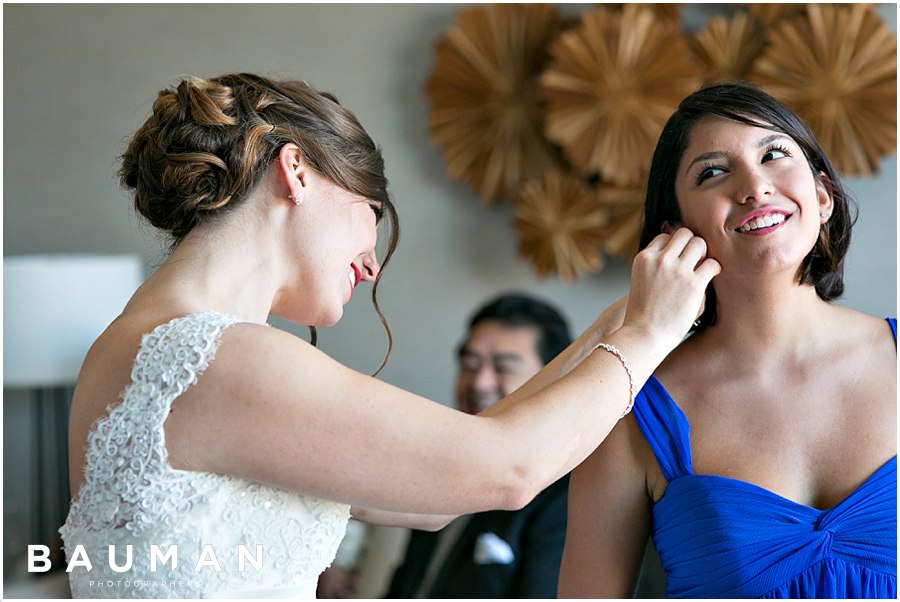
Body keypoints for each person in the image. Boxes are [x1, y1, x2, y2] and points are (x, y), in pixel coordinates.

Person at [58, 72, 719, 599]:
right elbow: (508, 469)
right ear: (297, 172)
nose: (371, 262)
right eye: (369, 212)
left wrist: (619, 322)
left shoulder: (145, 347)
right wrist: (651, 334)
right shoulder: (215, 359)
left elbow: (437, 503)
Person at [558, 82, 897, 599]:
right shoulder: (625, 410)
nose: (755, 187)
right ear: (675, 232)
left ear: (823, 197)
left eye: (774, 154)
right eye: (712, 171)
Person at [385, 292, 573, 598]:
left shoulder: (566, 497)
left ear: (551, 380)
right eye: (470, 366)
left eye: (503, 368)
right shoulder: (438, 471)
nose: (479, 383)